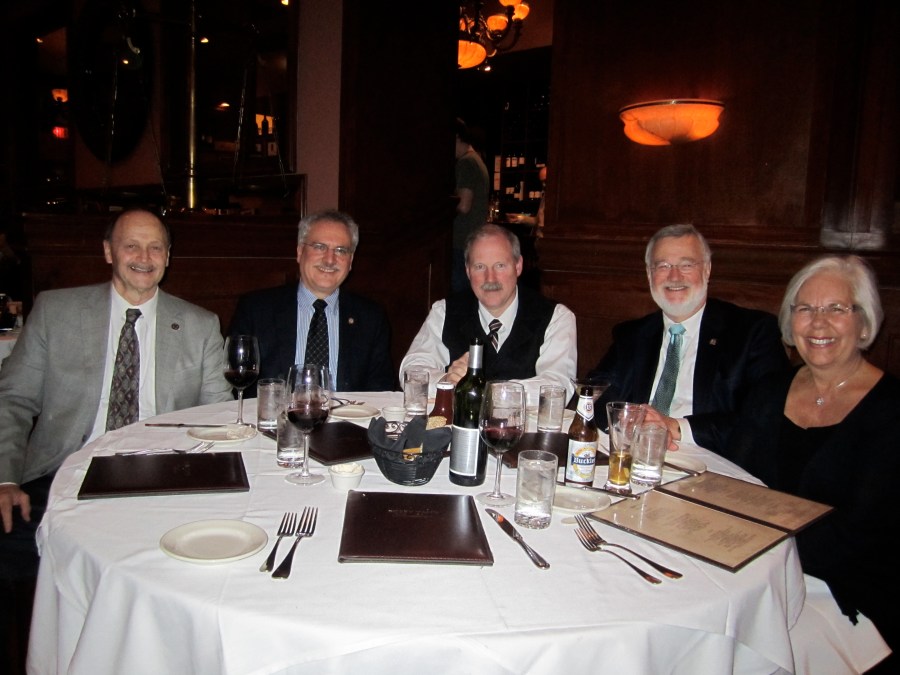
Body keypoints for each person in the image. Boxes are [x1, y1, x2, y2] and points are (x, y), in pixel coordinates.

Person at [0, 210, 232, 578]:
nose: (144, 258)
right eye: (131, 246)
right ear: (108, 251)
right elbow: (13, 398)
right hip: (63, 473)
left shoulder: (200, 325)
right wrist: (6, 480)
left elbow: (218, 416)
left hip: (162, 476)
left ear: (168, 256)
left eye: (155, 247)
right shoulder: (56, 311)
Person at [724, 255, 898, 667]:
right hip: (758, 572)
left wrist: (758, 550)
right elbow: (732, 484)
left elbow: (860, 536)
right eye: (806, 309)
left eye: (836, 308)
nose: (818, 323)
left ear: (864, 323)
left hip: (844, 591)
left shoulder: (891, 410)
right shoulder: (769, 392)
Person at [587, 224, 790, 452]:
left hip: (710, 459)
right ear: (649, 274)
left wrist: (675, 427)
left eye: (686, 265)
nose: (674, 276)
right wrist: (627, 420)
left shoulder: (752, 332)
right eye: (663, 266)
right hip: (635, 452)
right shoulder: (632, 335)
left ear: (707, 270)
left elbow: (764, 418)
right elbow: (594, 393)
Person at [401, 223, 576, 405]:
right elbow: (412, 372)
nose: (490, 278)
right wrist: (446, 382)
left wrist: (485, 391)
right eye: (480, 267)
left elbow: (558, 387)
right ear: (467, 271)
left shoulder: (555, 317)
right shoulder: (445, 311)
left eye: (500, 266)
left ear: (518, 266)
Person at [229, 209, 394, 393]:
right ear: (300, 252)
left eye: (341, 250)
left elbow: (381, 390)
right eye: (319, 247)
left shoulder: (371, 318)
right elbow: (238, 387)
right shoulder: (256, 310)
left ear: (351, 261)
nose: (330, 260)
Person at [452, 118, 489, 293]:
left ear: (456, 136)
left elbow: (464, 205)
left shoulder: (466, 162)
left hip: (461, 241)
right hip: (472, 241)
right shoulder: (477, 160)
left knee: (460, 296)